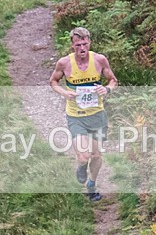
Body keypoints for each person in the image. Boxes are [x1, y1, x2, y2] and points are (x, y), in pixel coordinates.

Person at [50, 27, 118, 201]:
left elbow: (113, 80)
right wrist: (64, 92)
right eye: (78, 45)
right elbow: (53, 81)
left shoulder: (100, 60)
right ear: (72, 45)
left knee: (96, 155)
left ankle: (91, 184)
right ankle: (81, 166)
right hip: (76, 116)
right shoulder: (64, 63)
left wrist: (107, 89)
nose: (82, 48)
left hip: (97, 115)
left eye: (85, 44)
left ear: (90, 43)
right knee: (83, 156)